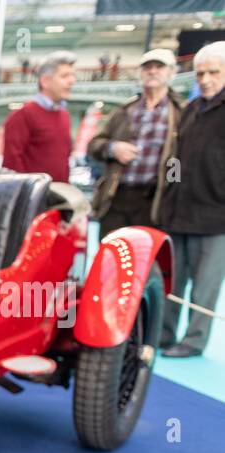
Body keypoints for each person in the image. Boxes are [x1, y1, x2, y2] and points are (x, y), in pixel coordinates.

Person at [157, 41, 225, 357]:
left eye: (214, 72)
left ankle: (194, 341)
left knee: (204, 287)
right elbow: (176, 159)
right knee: (174, 281)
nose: (206, 79)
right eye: (200, 73)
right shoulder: (190, 111)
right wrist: (170, 192)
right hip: (179, 212)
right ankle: (165, 334)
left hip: (215, 218)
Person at [88, 49, 182, 241]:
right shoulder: (124, 111)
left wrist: (173, 188)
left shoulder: (181, 113)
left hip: (154, 202)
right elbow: (94, 145)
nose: (152, 71)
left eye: (159, 67)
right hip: (116, 197)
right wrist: (113, 148)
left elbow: (182, 159)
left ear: (172, 72)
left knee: (149, 264)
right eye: (147, 67)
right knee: (111, 260)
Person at [3, 51, 76, 182]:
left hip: (59, 196)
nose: (72, 81)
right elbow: (12, 164)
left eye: (72, 75)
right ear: (45, 81)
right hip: (34, 199)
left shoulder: (64, 116)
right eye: (65, 76)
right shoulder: (22, 116)